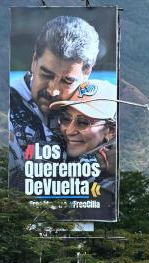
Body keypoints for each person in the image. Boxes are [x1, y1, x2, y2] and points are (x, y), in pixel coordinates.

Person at [9, 15, 100, 189]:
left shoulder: (100, 109)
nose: (52, 90)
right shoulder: (6, 107)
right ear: (34, 61)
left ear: (87, 72)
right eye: (46, 75)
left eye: (67, 81)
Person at [49, 79, 117, 220]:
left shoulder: (114, 181)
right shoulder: (53, 150)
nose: (69, 130)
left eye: (83, 122)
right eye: (66, 119)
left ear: (110, 130)